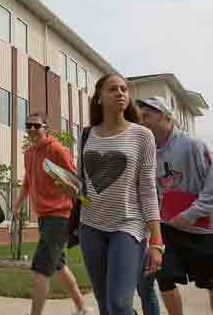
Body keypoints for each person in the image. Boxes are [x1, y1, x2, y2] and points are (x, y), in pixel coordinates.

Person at [76, 73, 164, 315]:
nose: (120, 93)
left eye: (124, 89)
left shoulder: (142, 135)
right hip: (90, 226)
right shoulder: (86, 135)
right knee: (105, 305)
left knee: (118, 303)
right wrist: (71, 189)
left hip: (128, 225)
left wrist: (157, 241)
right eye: (113, 89)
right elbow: (83, 186)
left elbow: (148, 189)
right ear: (99, 97)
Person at [137, 96, 213, 315]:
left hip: (205, 232)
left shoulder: (195, 145)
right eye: (141, 117)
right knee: (165, 280)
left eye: (147, 116)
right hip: (169, 229)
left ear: (167, 118)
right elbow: (151, 193)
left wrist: (191, 214)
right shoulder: (148, 153)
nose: (142, 121)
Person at [11, 112, 92, 315]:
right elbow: (28, 181)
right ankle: (82, 307)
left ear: (46, 128)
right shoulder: (28, 153)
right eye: (28, 125)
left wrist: (80, 207)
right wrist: (17, 204)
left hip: (60, 215)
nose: (32, 129)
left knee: (41, 266)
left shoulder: (57, 149)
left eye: (36, 125)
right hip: (43, 216)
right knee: (58, 265)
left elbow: (75, 181)